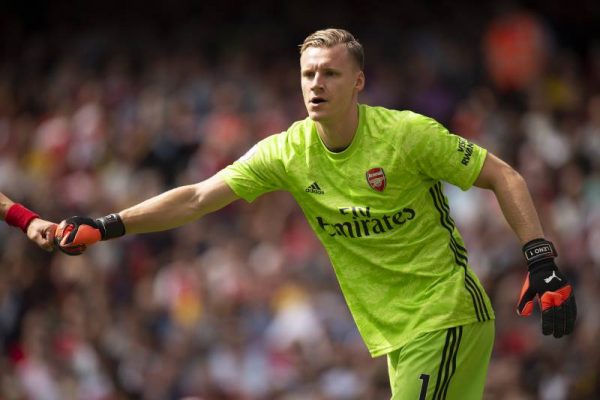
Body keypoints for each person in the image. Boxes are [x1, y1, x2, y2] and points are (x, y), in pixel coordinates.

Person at [54, 28, 576, 399]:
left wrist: (540, 258)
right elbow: (195, 197)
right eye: (308, 74)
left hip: (445, 315)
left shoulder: (406, 135)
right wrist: (108, 225)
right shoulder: (287, 152)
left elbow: (504, 176)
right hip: (396, 336)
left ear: (358, 82)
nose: (316, 84)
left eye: (330, 73)